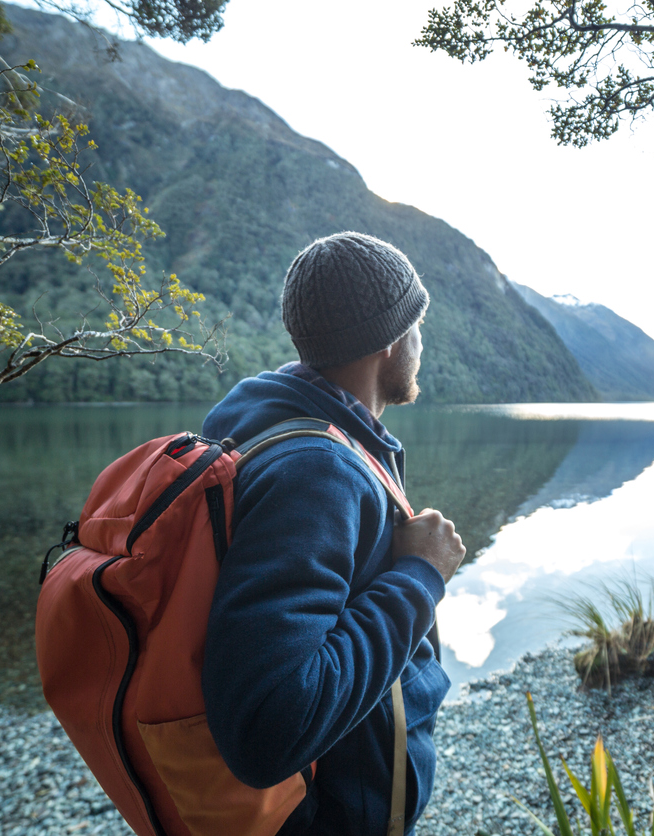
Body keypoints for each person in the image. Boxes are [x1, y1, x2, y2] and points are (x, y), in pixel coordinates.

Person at [200, 232, 467, 836]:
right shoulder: (318, 472)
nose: (422, 345)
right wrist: (420, 577)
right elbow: (269, 729)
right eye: (419, 325)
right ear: (393, 340)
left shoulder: (269, 424)